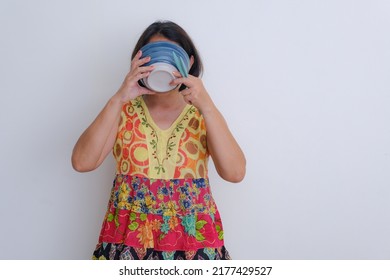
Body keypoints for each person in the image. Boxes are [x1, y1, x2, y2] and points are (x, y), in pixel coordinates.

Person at [71, 20, 246, 260]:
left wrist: (207, 105)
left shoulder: (203, 113)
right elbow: (82, 163)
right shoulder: (122, 110)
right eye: (153, 55)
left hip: (193, 248)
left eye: (174, 55)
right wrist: (119, 98)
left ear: (190, 62)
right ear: (138, 61)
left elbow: (235, 173)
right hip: (128, 246)